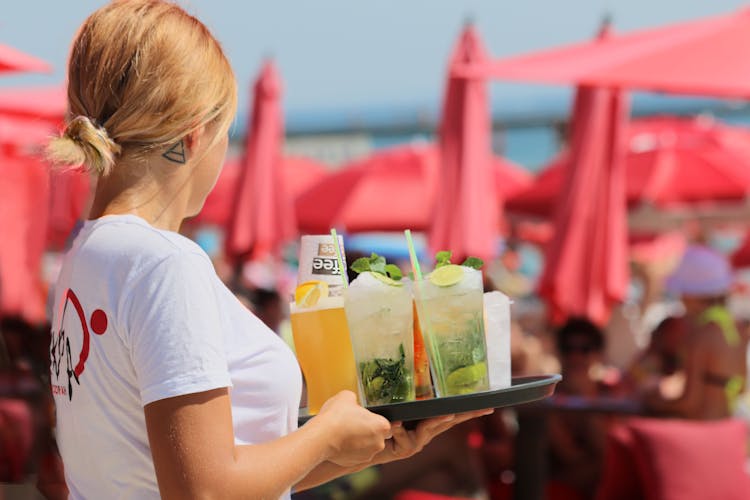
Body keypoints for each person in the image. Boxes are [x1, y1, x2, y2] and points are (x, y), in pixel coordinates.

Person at [45, 2, 490, 499]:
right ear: (194, 135)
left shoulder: (86, 255)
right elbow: (205, 492)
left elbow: (172, 473)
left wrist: (352, 448)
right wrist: (324, 432)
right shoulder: (165, 264)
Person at [644, 245, 747, 420]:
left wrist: (652, 402)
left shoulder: (701, 334)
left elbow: (690, 403)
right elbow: (741, 388)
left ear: (691, 294)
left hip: (703, 431)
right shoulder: (736, 329)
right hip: (729, 430)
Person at [546, 318, 614, 500]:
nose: (576, 357)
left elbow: (607, 451)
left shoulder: (611, 393)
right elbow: (570, 456)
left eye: (585, 349)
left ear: (598, 354)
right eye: (568, 349)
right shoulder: (547, 397)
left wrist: (585, 399)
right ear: (559, 353)